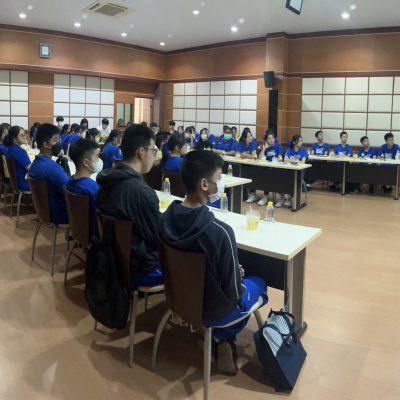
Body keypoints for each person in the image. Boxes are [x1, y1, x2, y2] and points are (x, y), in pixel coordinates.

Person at [160, 150, 268, 375]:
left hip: (177, 298)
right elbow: (234, 292)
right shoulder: (220, 232)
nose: (220, 184)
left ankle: (220, 339)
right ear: (204, 184)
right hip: (212, 310)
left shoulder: (165, 218)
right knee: (259, 283)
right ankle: (222, 336)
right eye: (218, 179)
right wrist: (236, 274)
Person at [96, 124, 163, 287]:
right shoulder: (142, 192)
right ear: (141, 152)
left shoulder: (106, 179)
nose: (154, 156)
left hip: (111, 259)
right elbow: (156, 238)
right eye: (153, 151)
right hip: (139, 267)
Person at [28, 124, 70, 224]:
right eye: (55, 140)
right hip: (60, 213)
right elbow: (70, 190)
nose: (59, 143)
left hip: (46, 212)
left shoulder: (37, 162)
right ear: (46, 144)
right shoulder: (51, 167)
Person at [66, 139, 102, 237]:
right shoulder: (93, 188)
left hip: (79, 230)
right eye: (97, 156)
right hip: (95, 234)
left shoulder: (69, 181)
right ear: (86, 162)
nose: (99, 160)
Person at [274, 135, 309, 208]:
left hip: (299, 173)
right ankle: (283, 198)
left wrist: (291, 161)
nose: (301, 142)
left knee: (291, 181)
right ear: (294, 142)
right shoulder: (289, 150)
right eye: (299, 141)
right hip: (289, 171)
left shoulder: (304, 151)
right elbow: (285, 159)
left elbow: (303, 162)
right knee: (277, 179)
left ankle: (290, 199)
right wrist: (296, 161)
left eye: (301, 141)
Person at [257, 132, 285, 206]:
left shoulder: (278, 146)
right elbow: (260, 158)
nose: (272, 140)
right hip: (268, 169)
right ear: (266, 141)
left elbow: (280, 158)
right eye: (269, 138)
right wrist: (264, 148)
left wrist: (278, 160)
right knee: (265, 176)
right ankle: (265, 196)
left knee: (276, 179)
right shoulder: (266, 148)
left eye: (272, 138)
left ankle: (282, 198)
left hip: (277, 169)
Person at [5, 126, 31, 191]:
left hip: (16, 182)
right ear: (14, 139)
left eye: (25, 134)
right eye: (22, 136)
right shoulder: (20, 152)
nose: (25, 137)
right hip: (24, 183)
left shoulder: (10, 149)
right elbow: (32, 170)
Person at [236, 128, 259, 203]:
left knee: (251, 174)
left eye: (251, 136)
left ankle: (253, 193)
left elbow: (253, 156)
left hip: (253, 166)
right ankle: (245, 193)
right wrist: (243, 155)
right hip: (243, 165)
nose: (250, 138)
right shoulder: (241, 143)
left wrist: (244, 154)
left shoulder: (253, 142)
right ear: (244, 138)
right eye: (248, 136)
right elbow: (237, 154)